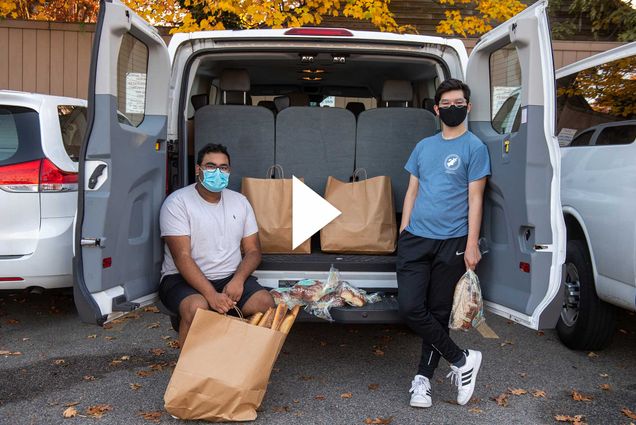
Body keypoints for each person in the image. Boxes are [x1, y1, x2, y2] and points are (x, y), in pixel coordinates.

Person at [397, 78, 491, 408]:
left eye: (459, 103)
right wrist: (404, 228)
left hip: (451, 241)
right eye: (446, 104)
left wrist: (471, 244)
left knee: (437, 314)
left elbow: (476, 199)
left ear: (469, 106)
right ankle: (463, 359)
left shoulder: (475, 148)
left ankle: (422, 379)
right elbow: (412, 191)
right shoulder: (424, 146)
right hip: (415, 239)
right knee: (410, 307)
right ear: (437, 110)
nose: (453, 108)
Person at [158, 143, 274, 346]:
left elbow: (254, 251)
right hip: (182, 279)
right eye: (211, 166)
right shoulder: (177, 203)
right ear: (198, 169)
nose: (217, 172)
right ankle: (189, 374)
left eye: (223, 167)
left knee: (266, 304)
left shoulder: (240, 201)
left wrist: (238, 280)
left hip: (229, 277)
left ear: (229, 171)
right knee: (198, 308)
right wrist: (211, 295)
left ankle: (243, 367)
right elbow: (182, 257)